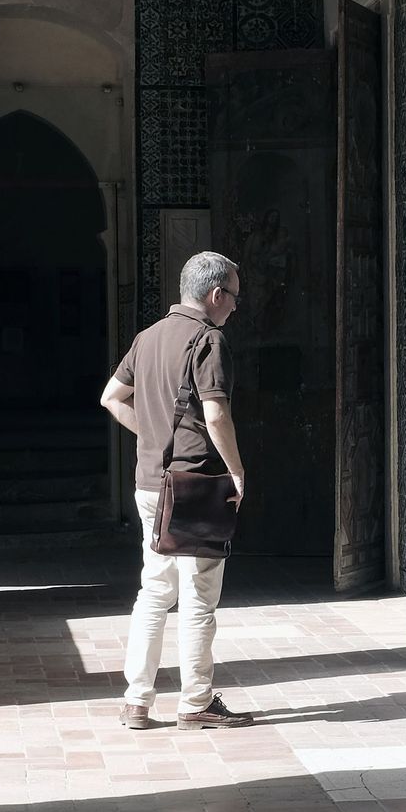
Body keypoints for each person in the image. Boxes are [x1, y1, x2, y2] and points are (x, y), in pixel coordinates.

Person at [99, 252, 255, 731]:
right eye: (234, 296)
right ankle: (196, 702)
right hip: (195, 487)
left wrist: (152, 435)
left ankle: (136, 701)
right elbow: (216, 414)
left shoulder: (147, 338)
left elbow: (111, 398)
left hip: (150, 484)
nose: (236, 306)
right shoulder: (208, 340)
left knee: (153, 592)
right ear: (216, 294)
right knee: (198, 597)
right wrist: (237, 471)